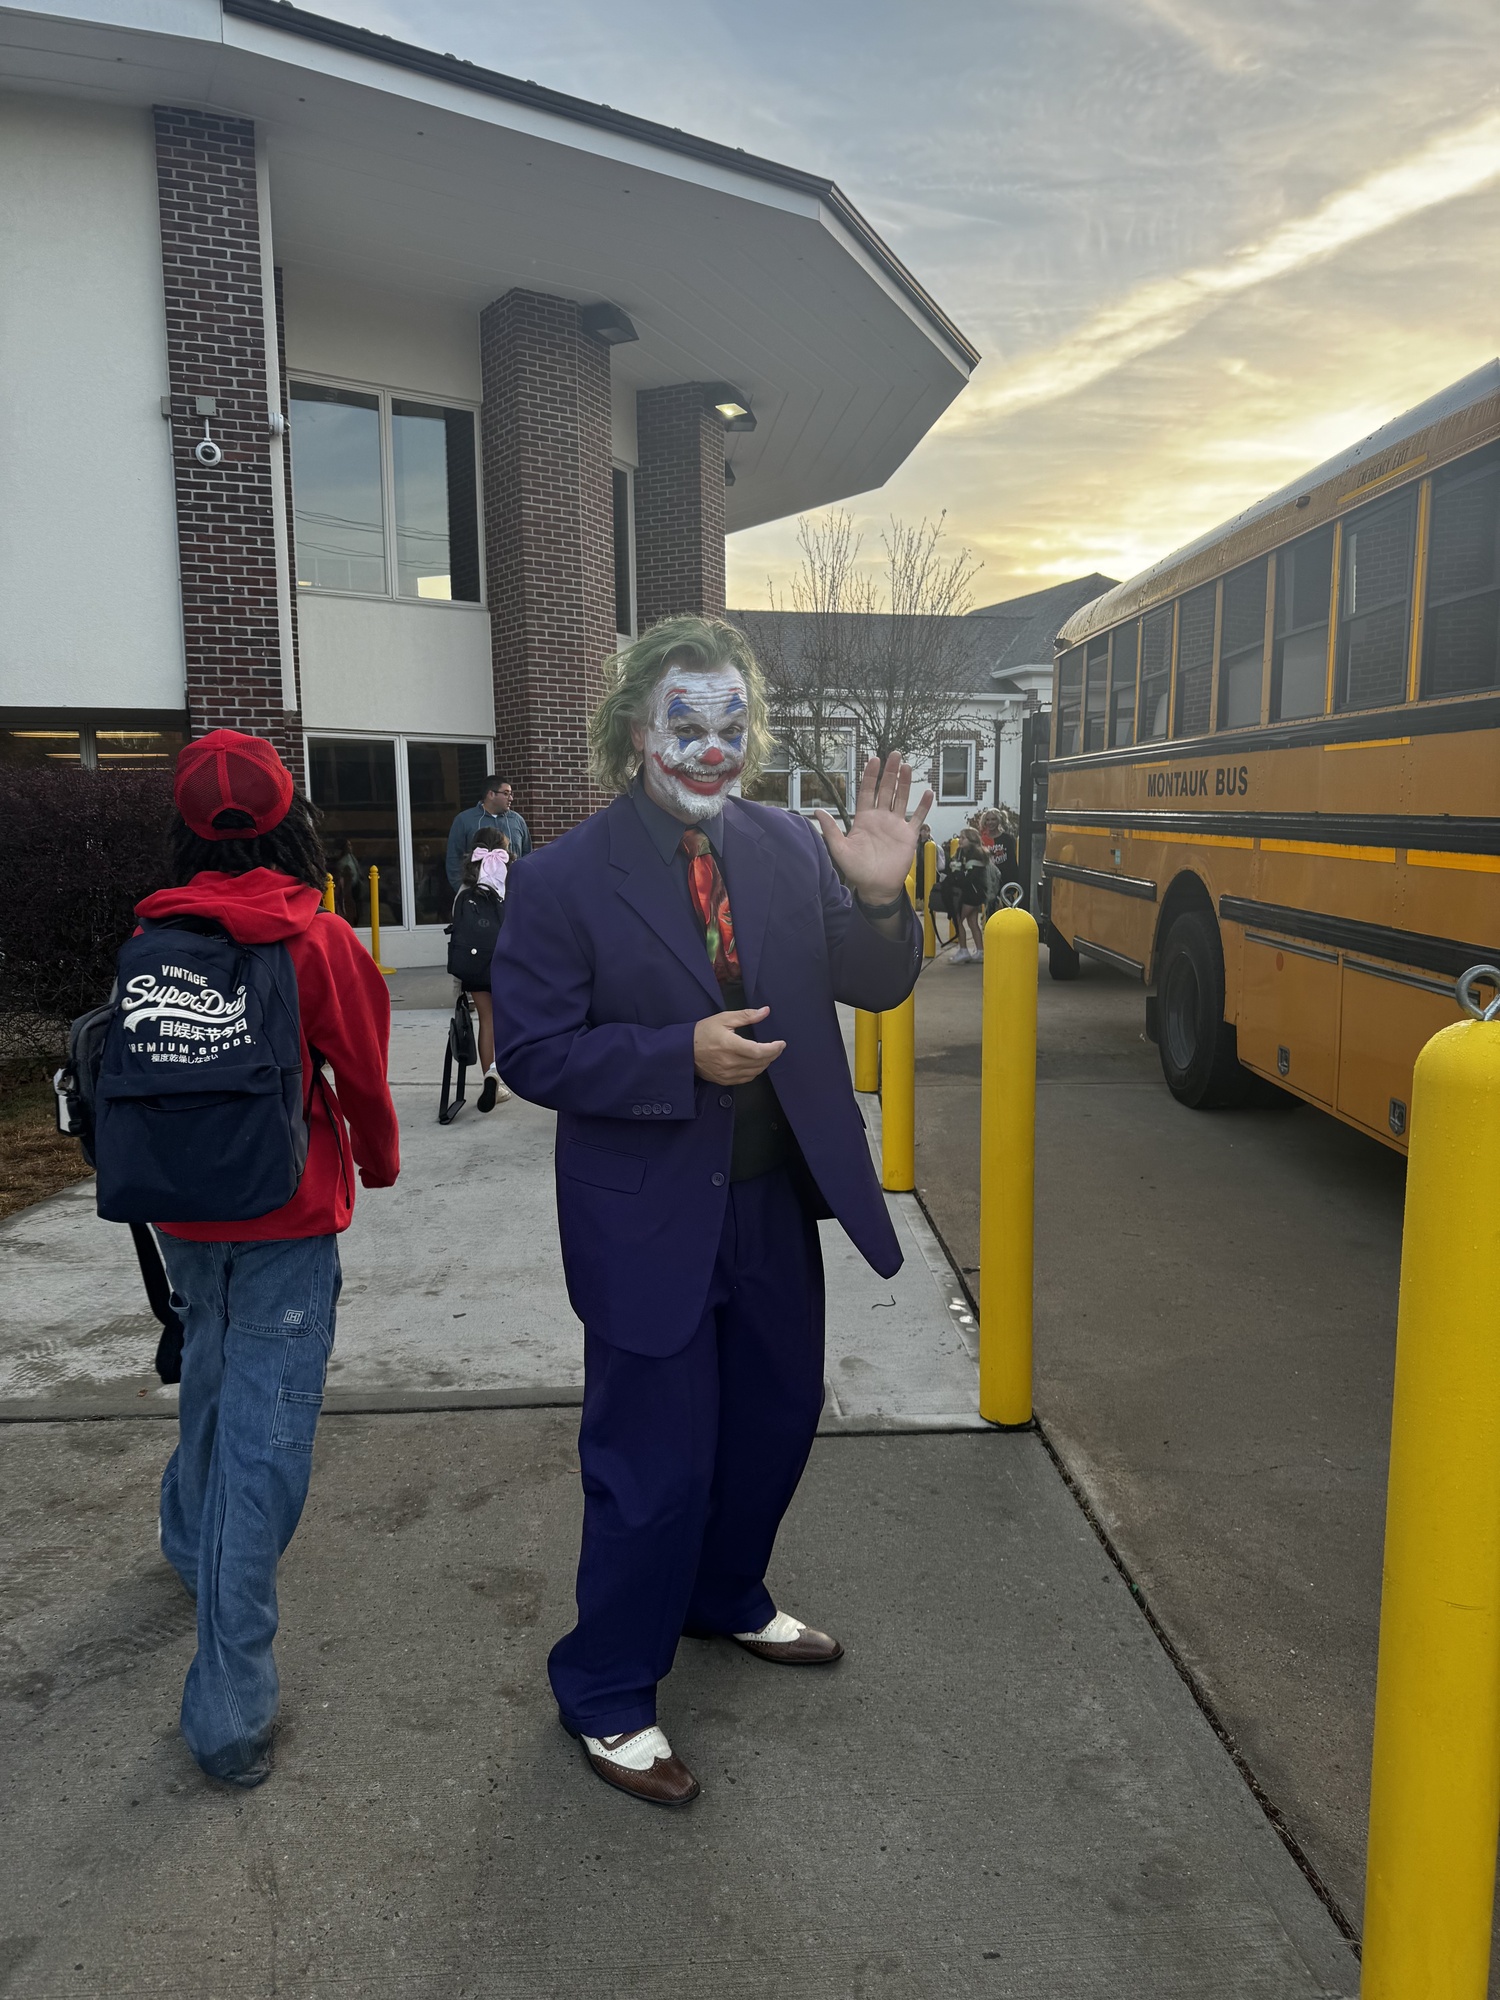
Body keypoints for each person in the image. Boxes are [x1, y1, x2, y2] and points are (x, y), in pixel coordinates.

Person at [493, 614, 929, 1809]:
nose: (711, 746)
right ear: (636, 728)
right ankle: (606, 1689)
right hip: (647, 1216)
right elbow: (531, 1052)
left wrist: (885, 898)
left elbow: (876, 977)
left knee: (778, 1420)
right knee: (652, 1466)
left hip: (775, 1199)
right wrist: (673, 1052)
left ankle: (725, 1596)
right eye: (686, 722)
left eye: (733, 724)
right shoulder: (563, 877)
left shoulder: (790, 845)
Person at [137, 730, 400, 1787]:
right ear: (291, 821)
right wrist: (374, 1166)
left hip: (182, 1214)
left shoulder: (156, 931)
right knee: (266, 1447)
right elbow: (367, 1079)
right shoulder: (320, 940)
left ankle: (180, 1536)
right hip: (287, 1217)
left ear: (188, 826)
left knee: (207, 1367)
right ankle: (229, 1708)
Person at [454, 828, 512, 1112]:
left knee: (486, 1019)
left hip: (475, 964)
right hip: (506, 962)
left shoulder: (466, 888)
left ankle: (491, 1076)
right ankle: (509, 1072)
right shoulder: (510, 882)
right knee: (509, 1018)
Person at [445, 776, 531, 890]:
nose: (511, 798)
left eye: (511, 794)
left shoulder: (517, 821)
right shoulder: (464, 820)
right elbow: (454, 858)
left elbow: (527, 855)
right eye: (506, 793)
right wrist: (462, 889)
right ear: (491, 794)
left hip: (514, 892)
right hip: (478, 894)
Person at [947, 826, 997, 962]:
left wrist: (957, 873)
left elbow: (969, 877)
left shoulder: (976, 854)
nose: (960, 840)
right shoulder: (962, 852)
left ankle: (963, 950)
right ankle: (980, 951)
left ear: (972, 840)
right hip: (974, 893)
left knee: (957, 919)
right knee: (972, 922)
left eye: (963, 838)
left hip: (972, 893)